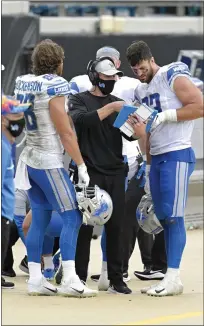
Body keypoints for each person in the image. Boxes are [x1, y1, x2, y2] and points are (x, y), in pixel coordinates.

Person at [70, 46, 167, 286]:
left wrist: (137, 126)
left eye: (114, 77)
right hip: (89, 170)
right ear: (95, 76)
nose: (111, 81)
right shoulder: (79, 100)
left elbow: (129, 136)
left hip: (115, 169)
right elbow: (83, 121)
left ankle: (116, 277)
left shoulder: (118, 102)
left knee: (116, 226)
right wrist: (112, 108)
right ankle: (80, 276)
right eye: (106, 77)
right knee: (85, 225)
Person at [14, 39, 97, 297]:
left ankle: (36, 278)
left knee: (39, 216)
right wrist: (81, 164)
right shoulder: (56, 84)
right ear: (59, 62)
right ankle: (70, 278)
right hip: (47, 159)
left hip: (28, 157)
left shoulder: (24, 81)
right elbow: (64, 131)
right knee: (73, 214)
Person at [126, 40, 203, 296]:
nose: (139, 72)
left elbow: (199, 106)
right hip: (157, 156)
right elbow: (145, 132)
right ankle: (168, 276)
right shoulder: (140, 90)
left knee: (173, 215)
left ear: (150, 58)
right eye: (134, 69)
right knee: (161, 217)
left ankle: (174, 276)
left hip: (177, 152)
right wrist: (147, 167)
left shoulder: (171, 74)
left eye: (141, 67)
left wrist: (167, 116)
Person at [1, 95, 29, 289]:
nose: (21, 119)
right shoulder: (2, 147)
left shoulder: (6, 144)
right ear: (4, 119)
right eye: (16, 114)